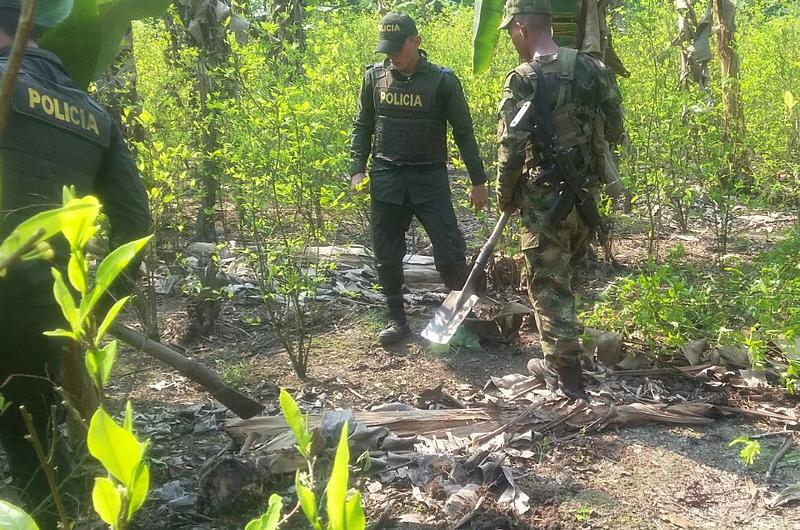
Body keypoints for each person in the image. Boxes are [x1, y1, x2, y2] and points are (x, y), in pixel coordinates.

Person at [0, 1, 152, 526]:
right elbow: (135, 223)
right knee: (33, 447)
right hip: (49, 314)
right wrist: (90, 310)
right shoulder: (93, 113)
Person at [495, 0, 623, 399]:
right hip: (585, 197)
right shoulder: (592, 67)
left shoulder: (522, 78)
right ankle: (569, 356)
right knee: (568, 279)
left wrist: (505, 194)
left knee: (549, 287)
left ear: (521, 29)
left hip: (544, 202)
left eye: (511, 35)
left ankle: (565, 377)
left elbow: (511, 146)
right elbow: (615, 126)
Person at [350, 12, 488, 345]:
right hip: (387, 178)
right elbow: (363, 126)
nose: (392, 55)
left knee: (450, 252)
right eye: (387, 49)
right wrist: (357, 169)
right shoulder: (374, 78)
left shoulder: (442, 81)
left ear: (417, 41)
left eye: (399, 47)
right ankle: (397, 321)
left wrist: (478, 181)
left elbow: (464, 133)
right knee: (386, 254)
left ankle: (459, 323)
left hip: (430, 178)